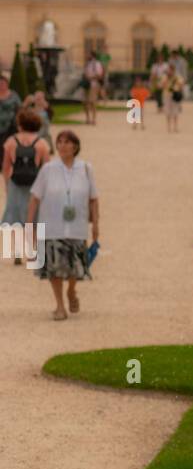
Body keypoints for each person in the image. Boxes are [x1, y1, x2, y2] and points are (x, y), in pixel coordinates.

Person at [26, 128, 98, 320]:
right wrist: (29, 224)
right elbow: (35, 198)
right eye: (60, 142)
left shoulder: (86, 169)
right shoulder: (48, 169)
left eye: (67, 142)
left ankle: (71, 291)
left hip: (77, 227)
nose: (62, 145)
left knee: (75, 268)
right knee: (54, 268)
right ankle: (59, 306)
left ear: (75, 146)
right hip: (51, 226)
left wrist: (96, 225)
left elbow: (93, 199)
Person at [2, 107, 51, 262]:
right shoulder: (41, 143)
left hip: (16, 184)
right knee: (35, 218)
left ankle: (17, 252)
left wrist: (7, 185)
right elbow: (46, 168)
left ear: (20, 124)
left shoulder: (11, 141)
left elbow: (6, 167)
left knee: (16, 218)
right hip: (35, 185)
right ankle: (32, 251)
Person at [0, 75, 23, 153]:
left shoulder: (13, 95)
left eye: (3, 83)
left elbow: (20, 108)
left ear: (7, 84)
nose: (1, 85)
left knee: (7, 146)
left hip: (11, 126)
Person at [83, 53, 104, 126]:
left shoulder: (97, 64)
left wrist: (90, 78)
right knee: (86, 103)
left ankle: (93, 119)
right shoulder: (87, 64)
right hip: (87, 86)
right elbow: (85, 74)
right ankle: (88, 119)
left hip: (94, 85)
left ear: (93, 56)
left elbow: (100, 75)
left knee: (93, 102)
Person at [164, 66, 185, 132]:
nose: (170, 72)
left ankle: (175, 127)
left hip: (174, 96)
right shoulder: (165, 77)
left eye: (171, 70)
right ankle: (169, 127)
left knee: (175, 111)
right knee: (168, 112)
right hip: (167, 95)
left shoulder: (177, 77)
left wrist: (179, 90)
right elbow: (162, 85)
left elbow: (182, 84)